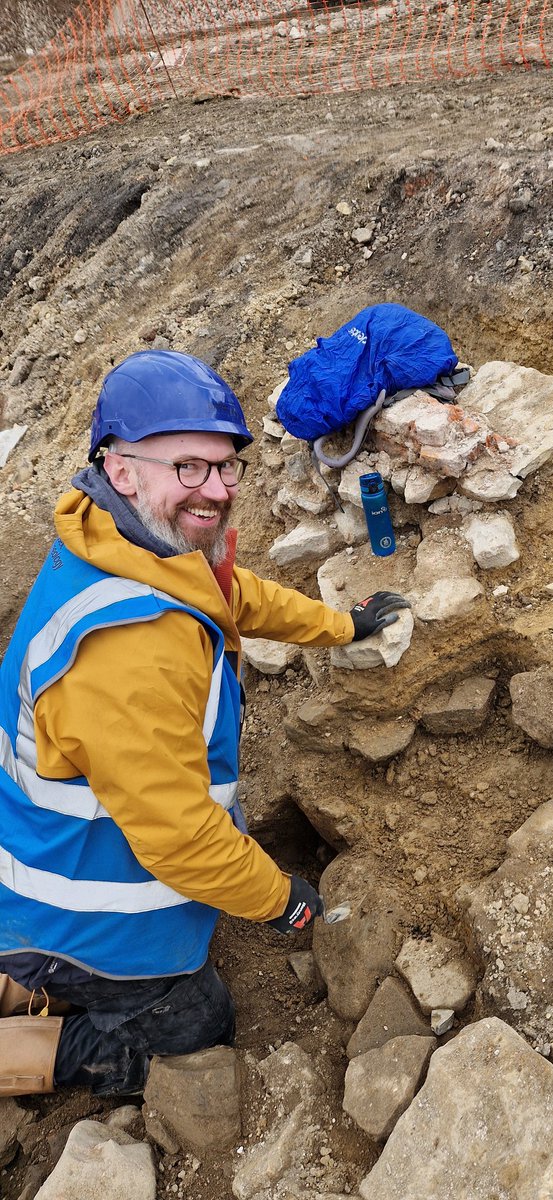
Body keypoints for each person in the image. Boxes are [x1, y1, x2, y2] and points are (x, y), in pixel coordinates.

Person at [0, 349, 409, 1098]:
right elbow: (181, 838)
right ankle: (26, 1029)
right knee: (194, 1026)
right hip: (83, 910)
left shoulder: (127, 541)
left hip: (64, 853)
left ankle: (22, 973)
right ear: (121, 468)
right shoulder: (123, 649)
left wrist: (342, 626)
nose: (215, 489)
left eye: (225, 468)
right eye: (187, 466)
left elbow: (230, 593)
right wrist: (281, 901)